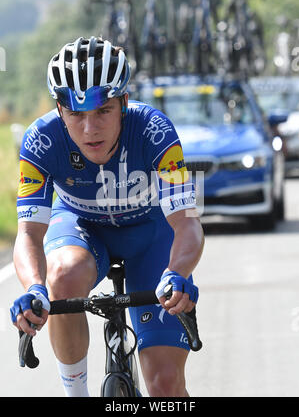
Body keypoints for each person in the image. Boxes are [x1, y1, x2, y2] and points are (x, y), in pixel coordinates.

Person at [10, 36, 205, 397]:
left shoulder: (155, 131)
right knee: (62, 276)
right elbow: (29, 235)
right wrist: (34, 287)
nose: (90, 129)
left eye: (103, 111)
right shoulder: (41, 141)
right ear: (59, 110)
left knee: (164, 386)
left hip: (151, 236)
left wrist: (176, 273)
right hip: (82, 230)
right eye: (76, 114)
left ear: (124, 104)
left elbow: (188, 222)